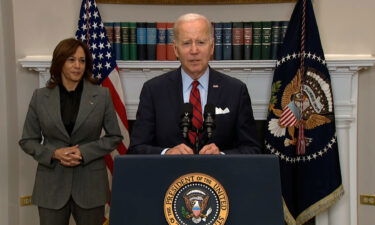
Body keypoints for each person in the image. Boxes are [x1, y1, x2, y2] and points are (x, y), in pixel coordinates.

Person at [19, 38, 123, 225]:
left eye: (82, 61)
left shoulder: (101, 96)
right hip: (51, 186)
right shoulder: (40, 97)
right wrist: (53, 153)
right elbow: (28, 140)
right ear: (60, 62)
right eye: (71, 60)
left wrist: (84, 152)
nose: (77, 66)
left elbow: (115, 137)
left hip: (90, 185)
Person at [128, 13, 260, 155]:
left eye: (201, 42)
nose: (194, 50)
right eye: (186, 43)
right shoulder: (153, 90)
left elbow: (253, 149)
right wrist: (166, 153)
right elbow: (137, 148)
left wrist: (222, 156)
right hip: (169, 174)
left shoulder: (236, 90)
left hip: (220, 175)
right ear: (175, 50)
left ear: (212, 47)